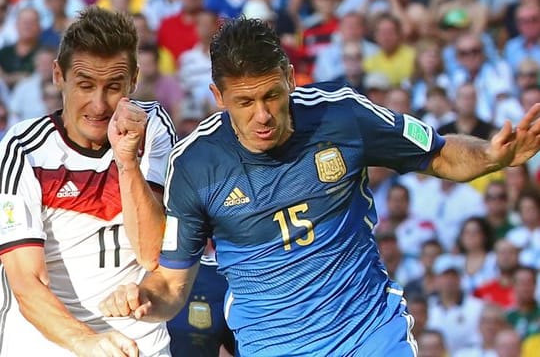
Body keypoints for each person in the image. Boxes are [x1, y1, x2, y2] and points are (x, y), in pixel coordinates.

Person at [100, 18, 540, 356]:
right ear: (218, 96)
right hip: (273, 346)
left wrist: (489, 156)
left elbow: (439, 153)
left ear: (291, 77)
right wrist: (143, 297)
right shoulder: (196, 165)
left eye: (272, 95)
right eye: (245, 102)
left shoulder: (344, 117)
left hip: (369, 333)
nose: (262, 116)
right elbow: (172, 286)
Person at [0, 6, 177, 357]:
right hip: (48, 346)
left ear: (134, 79)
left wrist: (127, 162)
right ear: (57, 75)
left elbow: (150, 252)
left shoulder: (153, 127)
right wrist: (88, 342)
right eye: (85, 85)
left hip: (140, 345)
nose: (98, 105)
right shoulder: (22, 149)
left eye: (113, 87)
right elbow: (26, 282)